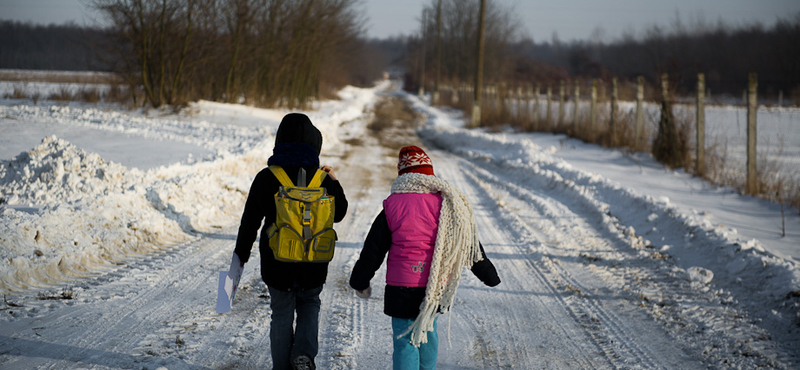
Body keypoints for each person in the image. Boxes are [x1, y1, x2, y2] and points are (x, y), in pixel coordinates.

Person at [349, 145, 500, 370]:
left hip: (401, 286)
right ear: (429, 173)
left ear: (402, 175)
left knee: (404, 341)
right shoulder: (447, 204)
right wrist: (487, 272)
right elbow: (468, 243)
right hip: (435, 286)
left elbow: (373, 250)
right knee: (428, 332)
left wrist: (360, 281)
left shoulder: (392, 206)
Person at [233, 113, 348, 370]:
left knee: (281, 312)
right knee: (309, 303)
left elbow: (250, 221)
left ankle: (281, 367)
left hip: (277, 264)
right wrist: (334, 181)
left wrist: (240, 255)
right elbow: (339, 213)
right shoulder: (323, 179)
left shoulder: (266, 177)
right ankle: (304, 356)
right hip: (314, 262)